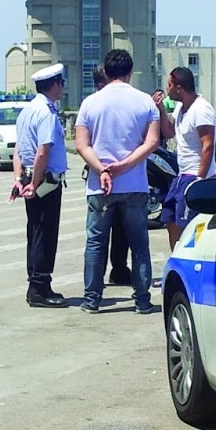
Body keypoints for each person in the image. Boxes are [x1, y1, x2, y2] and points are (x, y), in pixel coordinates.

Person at [75, 49, 160, 314]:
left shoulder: (90, 103)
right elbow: (152, 142)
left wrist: (102, 169)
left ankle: (92, 300)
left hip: (99, 187)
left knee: (95, 244)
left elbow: (81, 145)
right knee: (139, 245)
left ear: (106, 72)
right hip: (134, 185)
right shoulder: (145, 102)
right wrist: (124, 166)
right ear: (130, 72)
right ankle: (142, 300)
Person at [12, 63, 69, 309]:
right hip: (44, 181)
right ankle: (39, 288)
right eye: (61, 83)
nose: (62, 88)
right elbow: (43, 151)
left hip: (28, 177)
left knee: (34, 232)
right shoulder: (46, 112)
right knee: (45, 234)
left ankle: (36, 284)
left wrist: (19, 180)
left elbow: (18, 150)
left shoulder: (27, 111)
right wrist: (35, 184)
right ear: (54, 85)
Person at [153, 66, 216, 252]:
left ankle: (191, 258)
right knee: (170, 220)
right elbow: (169, 132)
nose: (167, 88)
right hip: (181, 175)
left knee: (188, 226)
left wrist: (199, 181)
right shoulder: (181, 108)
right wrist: (161, 109)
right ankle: (177, 258)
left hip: (195, 175)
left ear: (179, 87)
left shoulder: (202, 109)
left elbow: (208, 146)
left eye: (169, 84)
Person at [92, 66, 132, 286]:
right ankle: (111, 272)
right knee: (105, 233)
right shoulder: (99, 104)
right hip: (114, 176)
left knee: (114, 231)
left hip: (104, 176)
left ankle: (113, 272)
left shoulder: (92, 104)